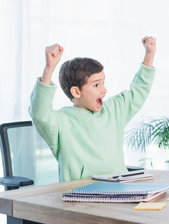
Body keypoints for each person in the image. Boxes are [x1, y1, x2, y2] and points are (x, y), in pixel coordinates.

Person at [29, 36, 156, 182]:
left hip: (120, 191)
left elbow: (138, 91)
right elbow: (39, 113)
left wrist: (149, 54)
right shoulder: (61, 122)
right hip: (80, 195)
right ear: (76, 92)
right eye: (96, 85)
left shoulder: (114, 110)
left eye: (103, 83)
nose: (104, 90)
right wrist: (49, 68)